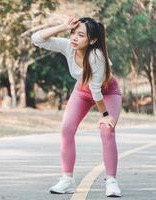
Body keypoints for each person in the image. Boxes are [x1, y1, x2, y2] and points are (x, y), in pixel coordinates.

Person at [31, 17, 122, 197]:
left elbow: (96, 90)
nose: (74, 38)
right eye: (73, 33)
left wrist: (105, 115)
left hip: (107, 92)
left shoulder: (97, 56)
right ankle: (67, 179)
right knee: (66, 129)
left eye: (80, 35)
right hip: (82, 90)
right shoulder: (68, 46)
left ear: (92, 40)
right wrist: (63, 27)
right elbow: (37, 39)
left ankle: (111, 181)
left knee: (107, 129)